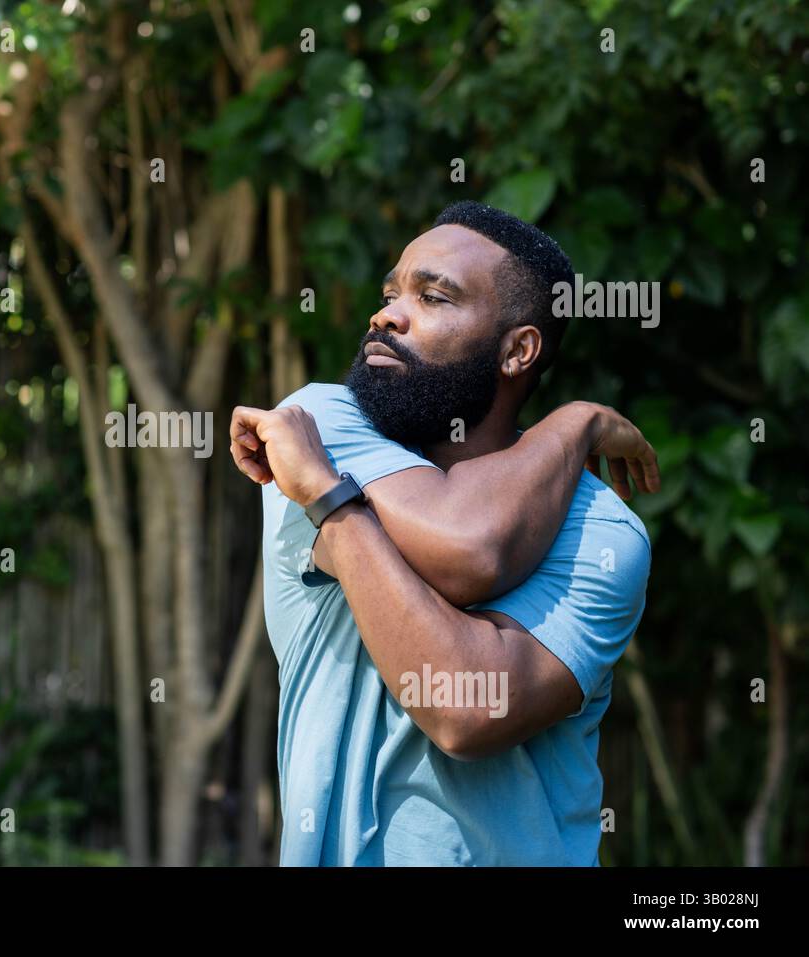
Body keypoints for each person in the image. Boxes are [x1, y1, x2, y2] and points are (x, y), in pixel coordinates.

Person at [229, 201, 659, 866]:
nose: (388, 314)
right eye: (391, 292)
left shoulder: (603, 532)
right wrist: (576, 421)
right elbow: (469, 542)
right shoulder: (317, 425)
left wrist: (334, 505)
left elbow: (463, 704)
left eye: (432, 296)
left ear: (519, 350)